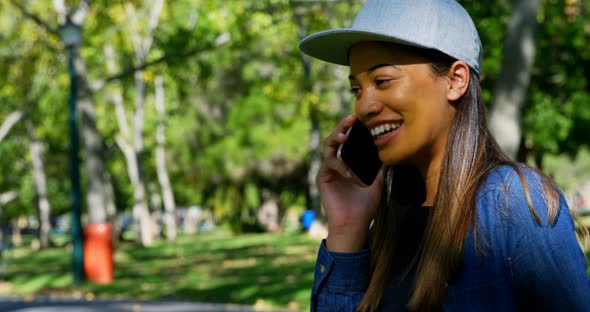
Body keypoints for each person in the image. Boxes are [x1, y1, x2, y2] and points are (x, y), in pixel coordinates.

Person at [298, 0, 590, 311]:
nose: (364, 106)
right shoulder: (385, 226)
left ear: (456, 80)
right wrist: (346, 229)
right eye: (357, 89)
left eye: (382, 81)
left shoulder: (513, 204)